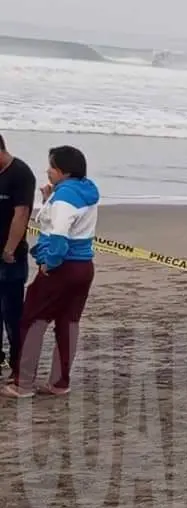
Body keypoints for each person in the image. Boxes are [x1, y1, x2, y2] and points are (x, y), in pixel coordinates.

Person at [2, 145, 99, 399]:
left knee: (32, 321)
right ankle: (59, 382)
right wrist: (49, 199)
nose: (47, 171)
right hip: (83, 266)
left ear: (63, 171)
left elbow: (59, 236)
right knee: (68, 323)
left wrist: (49, 264)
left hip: (62, 267)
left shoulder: (66, 196)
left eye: (51, 167)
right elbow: (68, 220)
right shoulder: (84, 190)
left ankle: (22, 383)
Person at [0, 135, 36, 377]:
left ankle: (19, 366)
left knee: (12, 314)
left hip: (10, 258)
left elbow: (21, 214)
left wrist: (9, 249)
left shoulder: (20, 173)